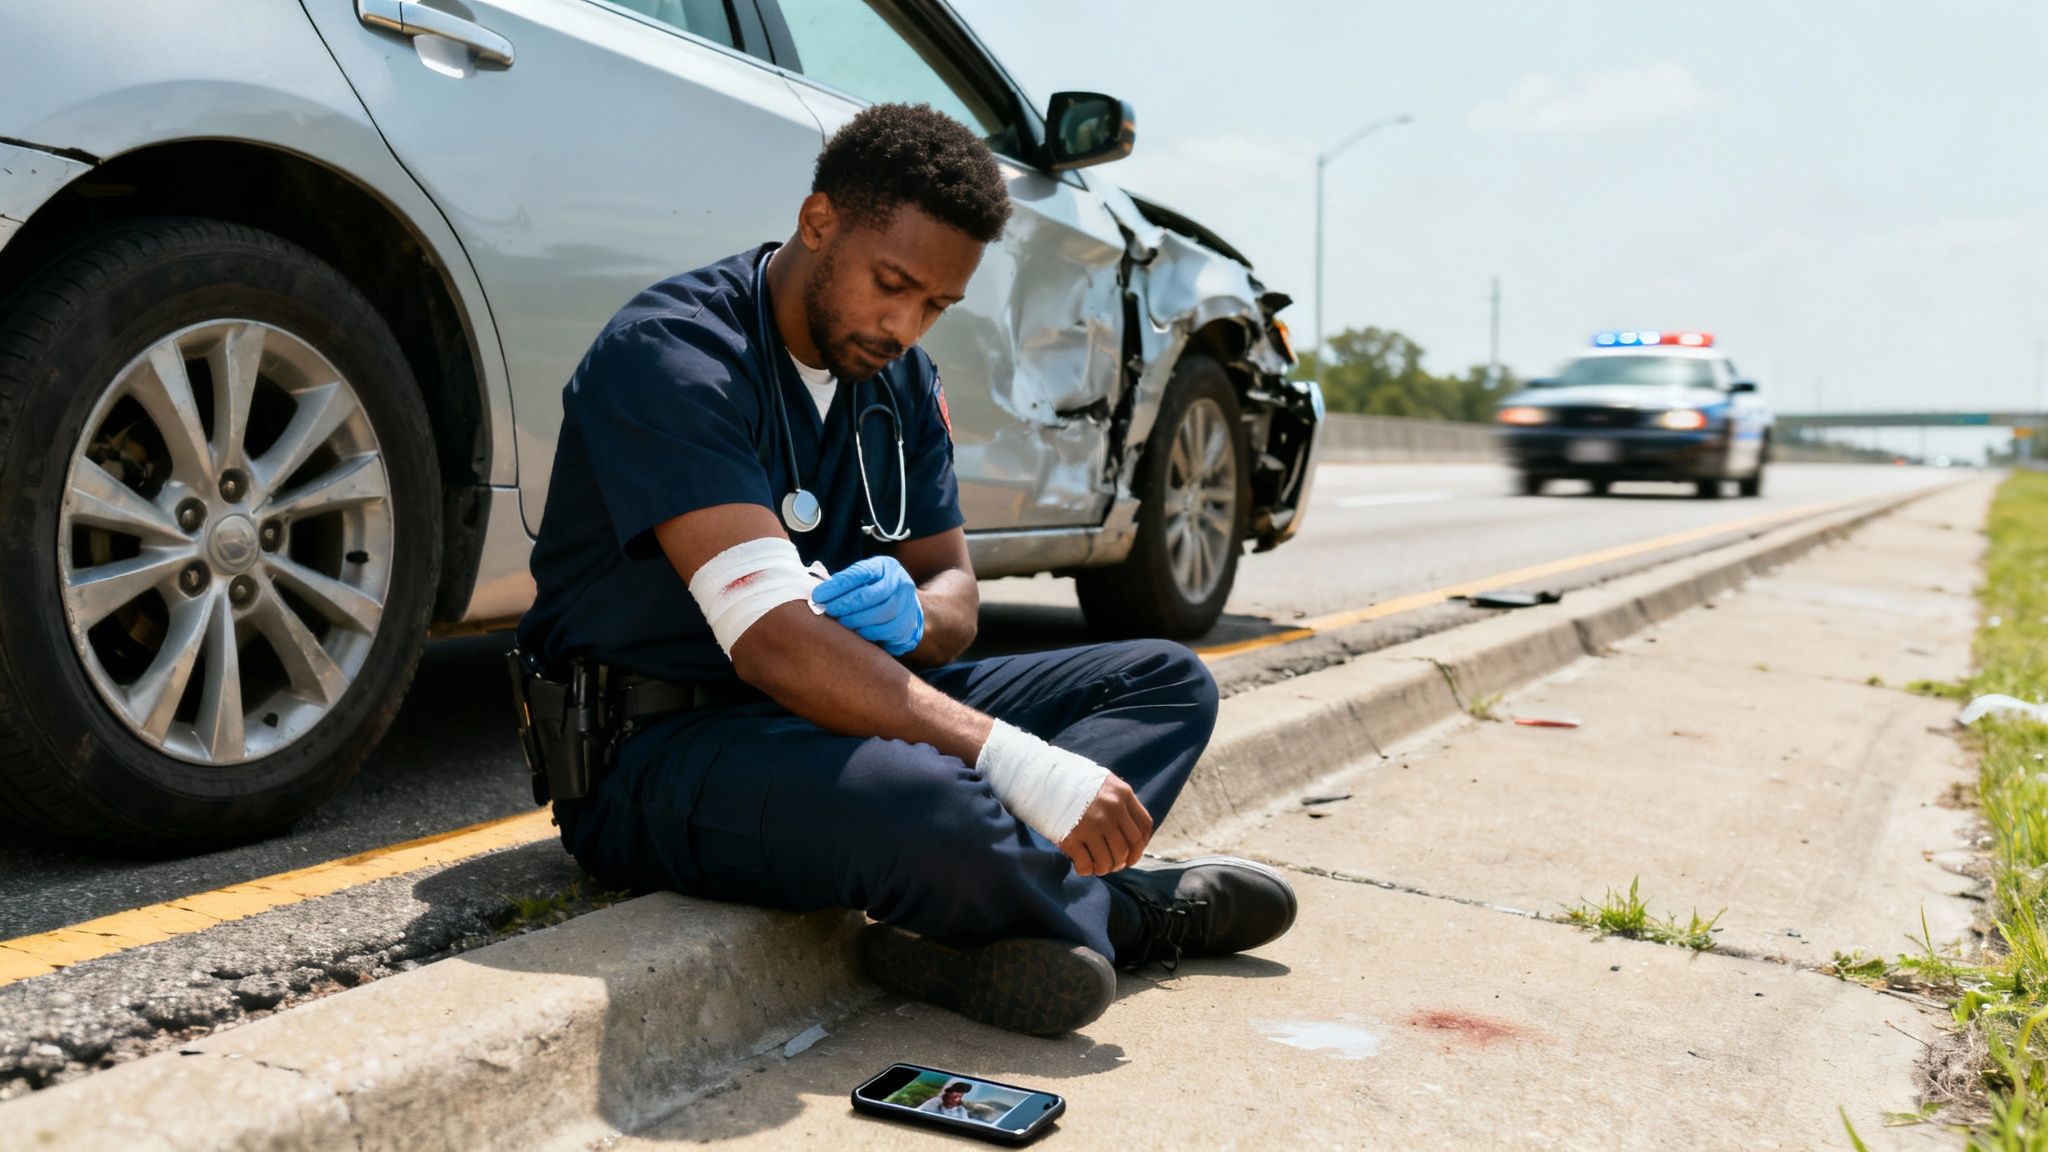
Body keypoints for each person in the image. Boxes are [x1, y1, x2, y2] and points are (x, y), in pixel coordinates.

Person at [515, 102, 1296, 1037]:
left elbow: (955, 596)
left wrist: (914, 619)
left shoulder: (900, 381)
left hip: (847, 712)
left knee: (1165, 681)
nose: (905, 324)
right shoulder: (675, 355)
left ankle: (991, 918)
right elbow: (771, 648)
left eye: (936, 304)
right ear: (819, 225)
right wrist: (1015, 762)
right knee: (931, 802)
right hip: (662, 751)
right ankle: (1123, 914)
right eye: (892, 285)